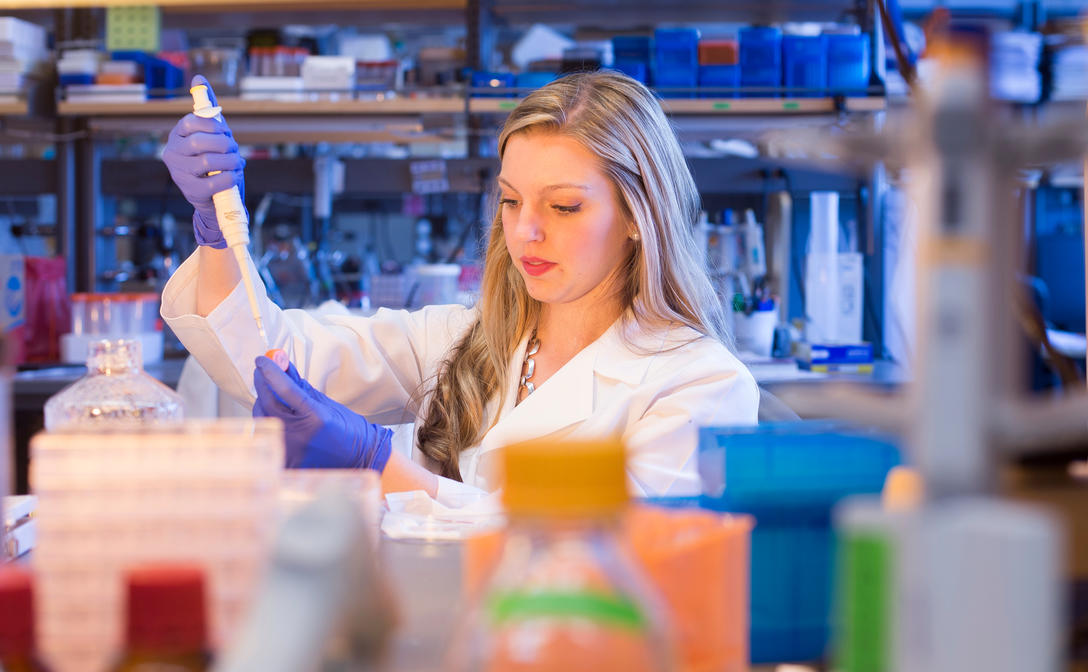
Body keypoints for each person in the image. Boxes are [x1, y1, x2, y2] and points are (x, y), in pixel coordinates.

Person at [160, 71, 758, 503]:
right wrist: (220, 234)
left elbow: (610, 563)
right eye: (512, 200)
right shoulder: (467, 339)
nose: (526, 232)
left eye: (565, 206)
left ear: (636, 215)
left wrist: (381, 465)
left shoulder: (700, 384)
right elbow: (272, 358)